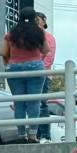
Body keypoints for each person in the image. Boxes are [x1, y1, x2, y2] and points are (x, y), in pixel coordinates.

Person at [0, 7, 49, 143]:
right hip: (35, 68)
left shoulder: (11, 33)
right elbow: (46, 50)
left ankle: (21, 135)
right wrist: (38, 59)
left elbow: (2, 52)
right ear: (34, 18)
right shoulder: (39, 32)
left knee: (19, 103)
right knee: (34, 102)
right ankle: (32, 134)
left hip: (14, 68)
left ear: (19, 18)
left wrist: (10, 61)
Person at [34, 12, 56, 143]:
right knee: (32, 105)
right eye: (34, 19)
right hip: (31, 76)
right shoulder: (29, 37)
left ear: (44, 21)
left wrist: (36, 68)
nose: (35, 21)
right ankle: (35, 135)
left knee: (41, 104)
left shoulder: (49, 37)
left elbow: (49, 58)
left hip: (43, 75)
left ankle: (45, 136)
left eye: (38, 19)